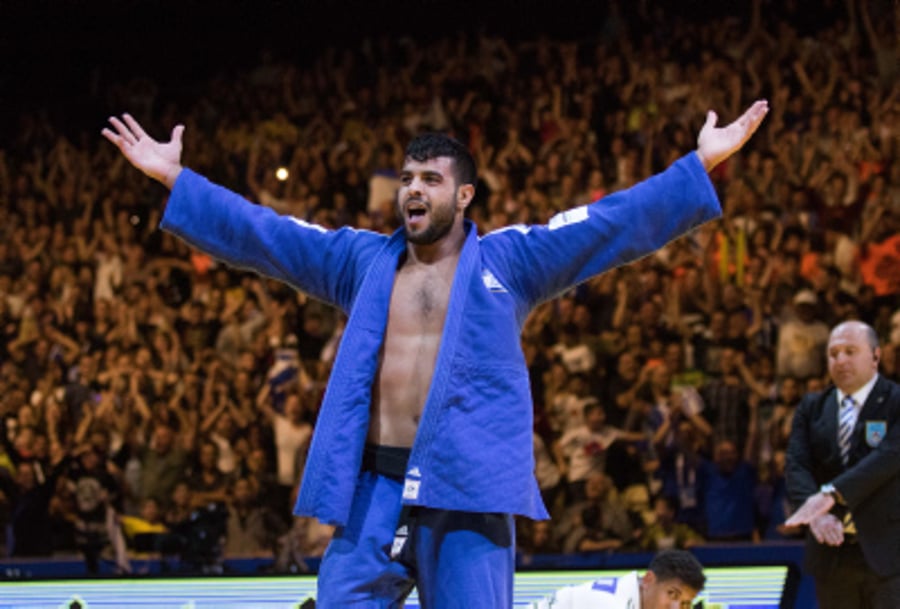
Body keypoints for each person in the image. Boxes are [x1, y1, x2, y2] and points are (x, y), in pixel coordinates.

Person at [102, 100, 767, 607]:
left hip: (468, 494)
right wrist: (177, 179)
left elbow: (609, 224)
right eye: (408, 177)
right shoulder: (360, 260)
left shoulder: (512, 260)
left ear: (465, 194)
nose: (414, 189)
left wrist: (698, 165)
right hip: (374, 489)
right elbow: (268, 234)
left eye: (431, 178)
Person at [785, 321, 900, 609]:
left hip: (888, 553)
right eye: (833, 354)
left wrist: (831, 494)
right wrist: (815, 516)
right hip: (831, 554)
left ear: (875, 356)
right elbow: (797, 465)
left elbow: (889, 456)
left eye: (851, 351)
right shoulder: (811, 407)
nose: (841, 360)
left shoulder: (896, 400)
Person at [529, 548, 706, 609]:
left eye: (685, 604)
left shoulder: (629, 592)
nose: (676, 608)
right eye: (672, 594)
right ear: (648, 580)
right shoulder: (612, 604)